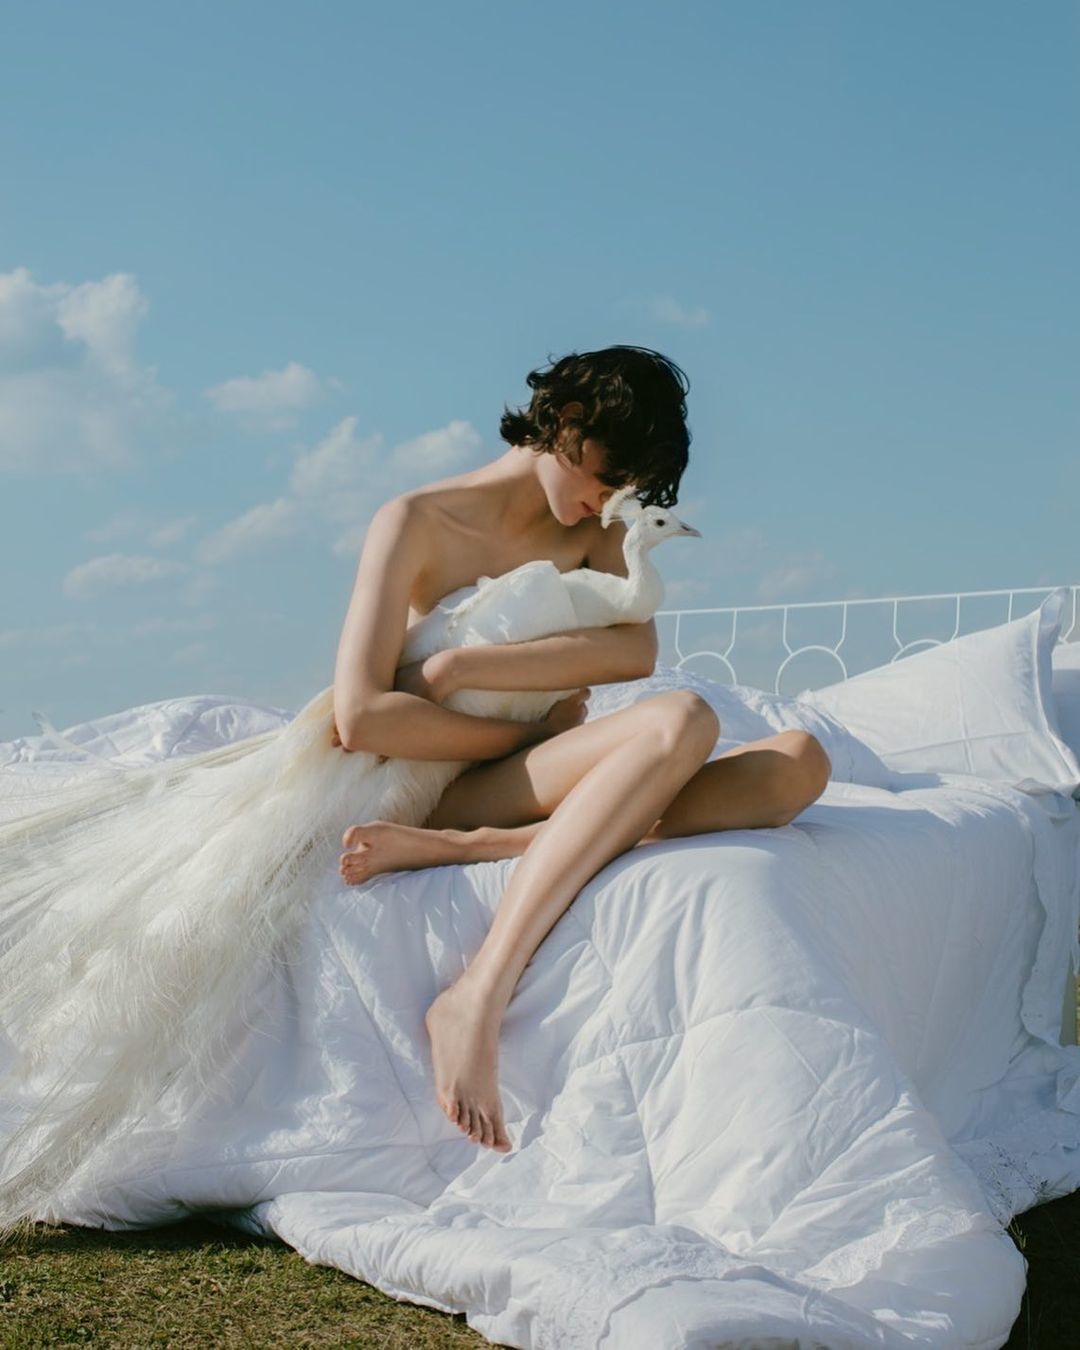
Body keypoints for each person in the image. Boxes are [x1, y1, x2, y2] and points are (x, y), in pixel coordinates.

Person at [328, 345, 832, 1154]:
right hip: (442, 780)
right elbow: (361, 717)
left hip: (524, 779)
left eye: (629, 488)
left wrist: (464, 667)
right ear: (566, 423)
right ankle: (477, 994)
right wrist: (533, 732)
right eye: (609, 476)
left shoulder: (592, 526)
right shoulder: (415, 520)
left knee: (800, 761)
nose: (614, 500)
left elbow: (635, 651)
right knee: (682, 721)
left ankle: (482, 848)